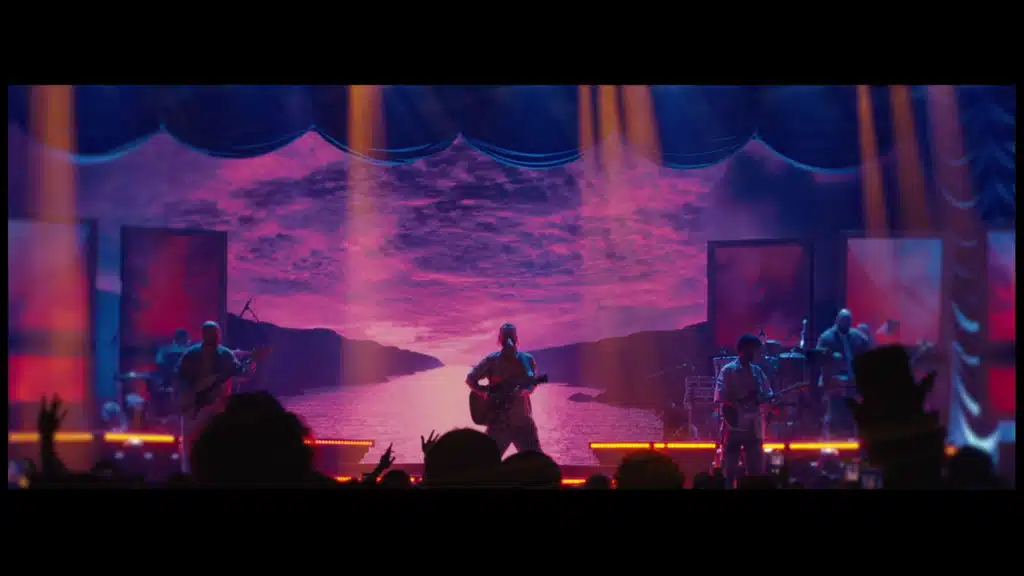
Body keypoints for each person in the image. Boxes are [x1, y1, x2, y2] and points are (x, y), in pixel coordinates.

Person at [465, 323, 542, 457]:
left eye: (510, 336)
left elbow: (531, 383)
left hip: (520, 422)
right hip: (501, 423)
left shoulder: (525, 359)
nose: (508, 340)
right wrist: (486, 392)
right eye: (506, 336)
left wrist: (525, 390)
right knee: (487, 461)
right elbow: (470, 379)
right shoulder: (492, 360)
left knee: (536, 462)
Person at [175, 321, 241, 472]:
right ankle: (190, 475)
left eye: (217, 334)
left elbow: (240, 372)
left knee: (218, 446)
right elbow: (179, 376)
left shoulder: (225, 354)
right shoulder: (191, 354)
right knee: (191, 446)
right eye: (213, 333)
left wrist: (252, 363)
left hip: (217, 407)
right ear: (204, 334)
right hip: (194, 408)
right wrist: (185, 396)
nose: (216, 337)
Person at [715, 334, 772, 488]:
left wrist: (764, 399)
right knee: (729, 470)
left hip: (753, 427)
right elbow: (721, 396)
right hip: (734, 427)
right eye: (752, 349)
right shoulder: (728, 371)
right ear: (743, 349)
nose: (755, 353)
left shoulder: (757, 372)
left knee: (755, 470)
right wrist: (738, 404)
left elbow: (768, 394)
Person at [817, 309, 872, 438]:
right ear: (837, 320)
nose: (846, 323)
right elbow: (819, 358)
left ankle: (853, 436)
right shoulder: (827, 337)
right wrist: (831, 357)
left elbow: (867, 348)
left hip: (853, 381)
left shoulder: (856, 336)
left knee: (853, 411)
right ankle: (833, 437)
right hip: (833, 381)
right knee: (835, 413)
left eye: (848, 320)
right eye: (843, 320)